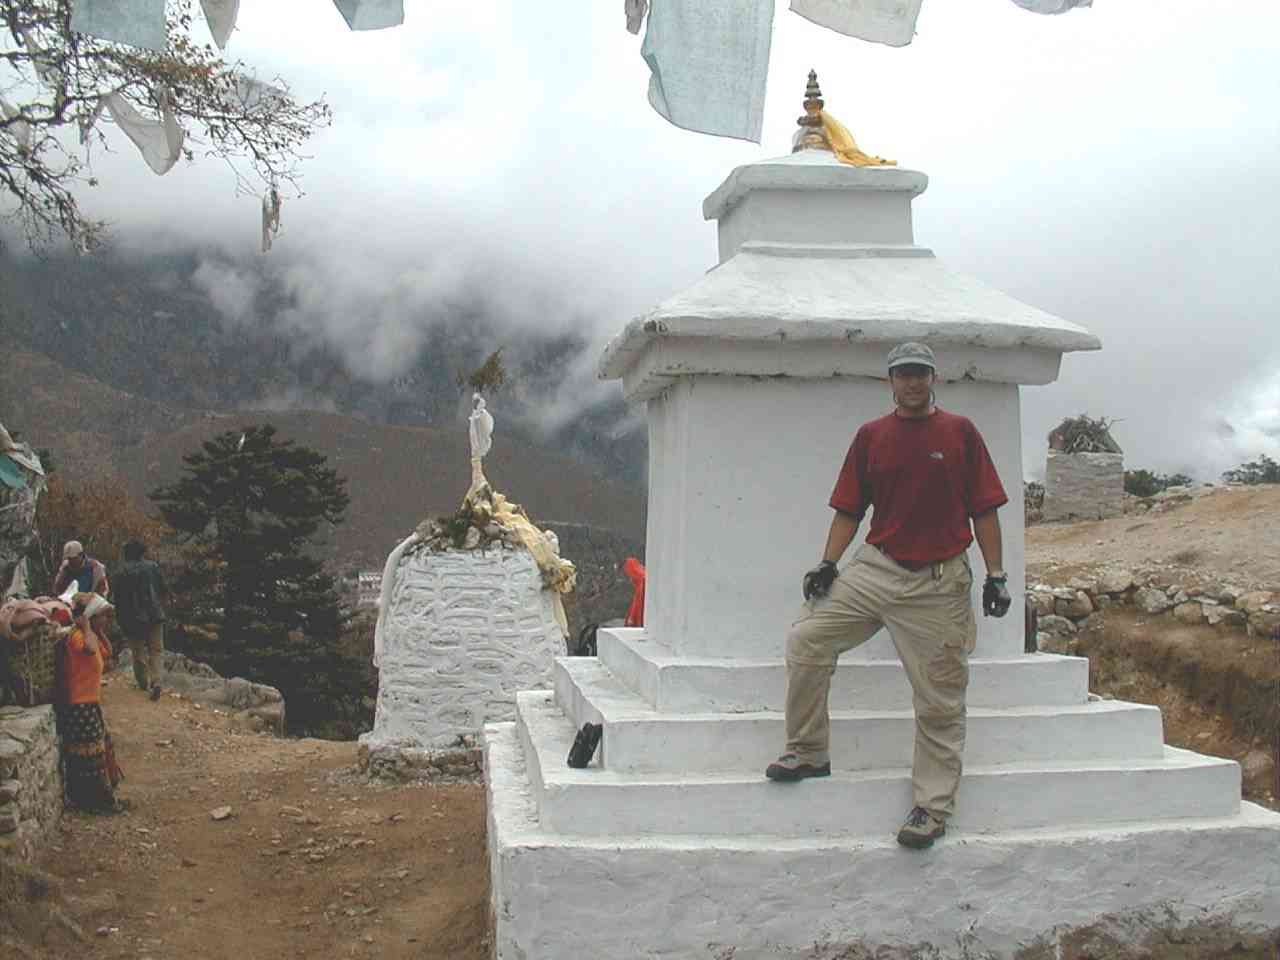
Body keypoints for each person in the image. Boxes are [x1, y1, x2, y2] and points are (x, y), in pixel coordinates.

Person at [764, 341, 1012, 850]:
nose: (913, 382)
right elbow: (850, 509)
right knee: (807, 640)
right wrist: (829, 562)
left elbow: (984, 509)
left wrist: (997, 574)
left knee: (939, 697)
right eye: (903, 374)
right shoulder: (872, 437)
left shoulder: (960, 433)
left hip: (939, 580)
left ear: (933, 379)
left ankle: (932, 806)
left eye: (921, 373)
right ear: (890, 382)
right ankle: (808, 750)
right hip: (876, 568)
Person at [55, 593, 126, 814]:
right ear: (90, 616)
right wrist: (86, 626)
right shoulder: (78, 636)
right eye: (103, 616)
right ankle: (93, 801)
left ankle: (100, 798)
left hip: (89, 703)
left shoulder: (90, 635)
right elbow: (88, 650)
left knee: (98, 750)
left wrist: (98, 630)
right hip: (79, 705)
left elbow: (107, 653)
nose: (107, 620)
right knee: (88, 754)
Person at [113, 540, 168, 700]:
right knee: (156, 650)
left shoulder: (121, 572)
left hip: (132, 618)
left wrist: (120, 619)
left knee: (138, 652)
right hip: (155, 614)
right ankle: (157, 681)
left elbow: (119, 599)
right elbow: (162, 589)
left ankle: (143, 682)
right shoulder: (153, 567)